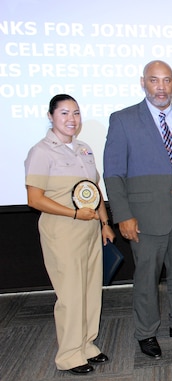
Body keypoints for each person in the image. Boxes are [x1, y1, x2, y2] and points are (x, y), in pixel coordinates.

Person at [103, 60, 172, 360]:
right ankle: (146, 332)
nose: (161, 87)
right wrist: (122, 215)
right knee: (147, 279)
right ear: (143, 82)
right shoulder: (123, 119)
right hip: (144, 217)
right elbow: (113, 172)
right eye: (154, 80)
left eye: (166, 80)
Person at [24, 94, 115, 375]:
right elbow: (34, 199)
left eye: (76, 113)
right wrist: (74, 214)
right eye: (64, 113)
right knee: (71, 295)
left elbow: (93, 190)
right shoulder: (41, 151)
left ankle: (86, 344)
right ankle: (68, 355)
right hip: (62, 231)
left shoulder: (84, 149)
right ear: (50, 116)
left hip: (89, 230)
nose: (71, 119)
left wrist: (104, 222)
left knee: (90, 291)